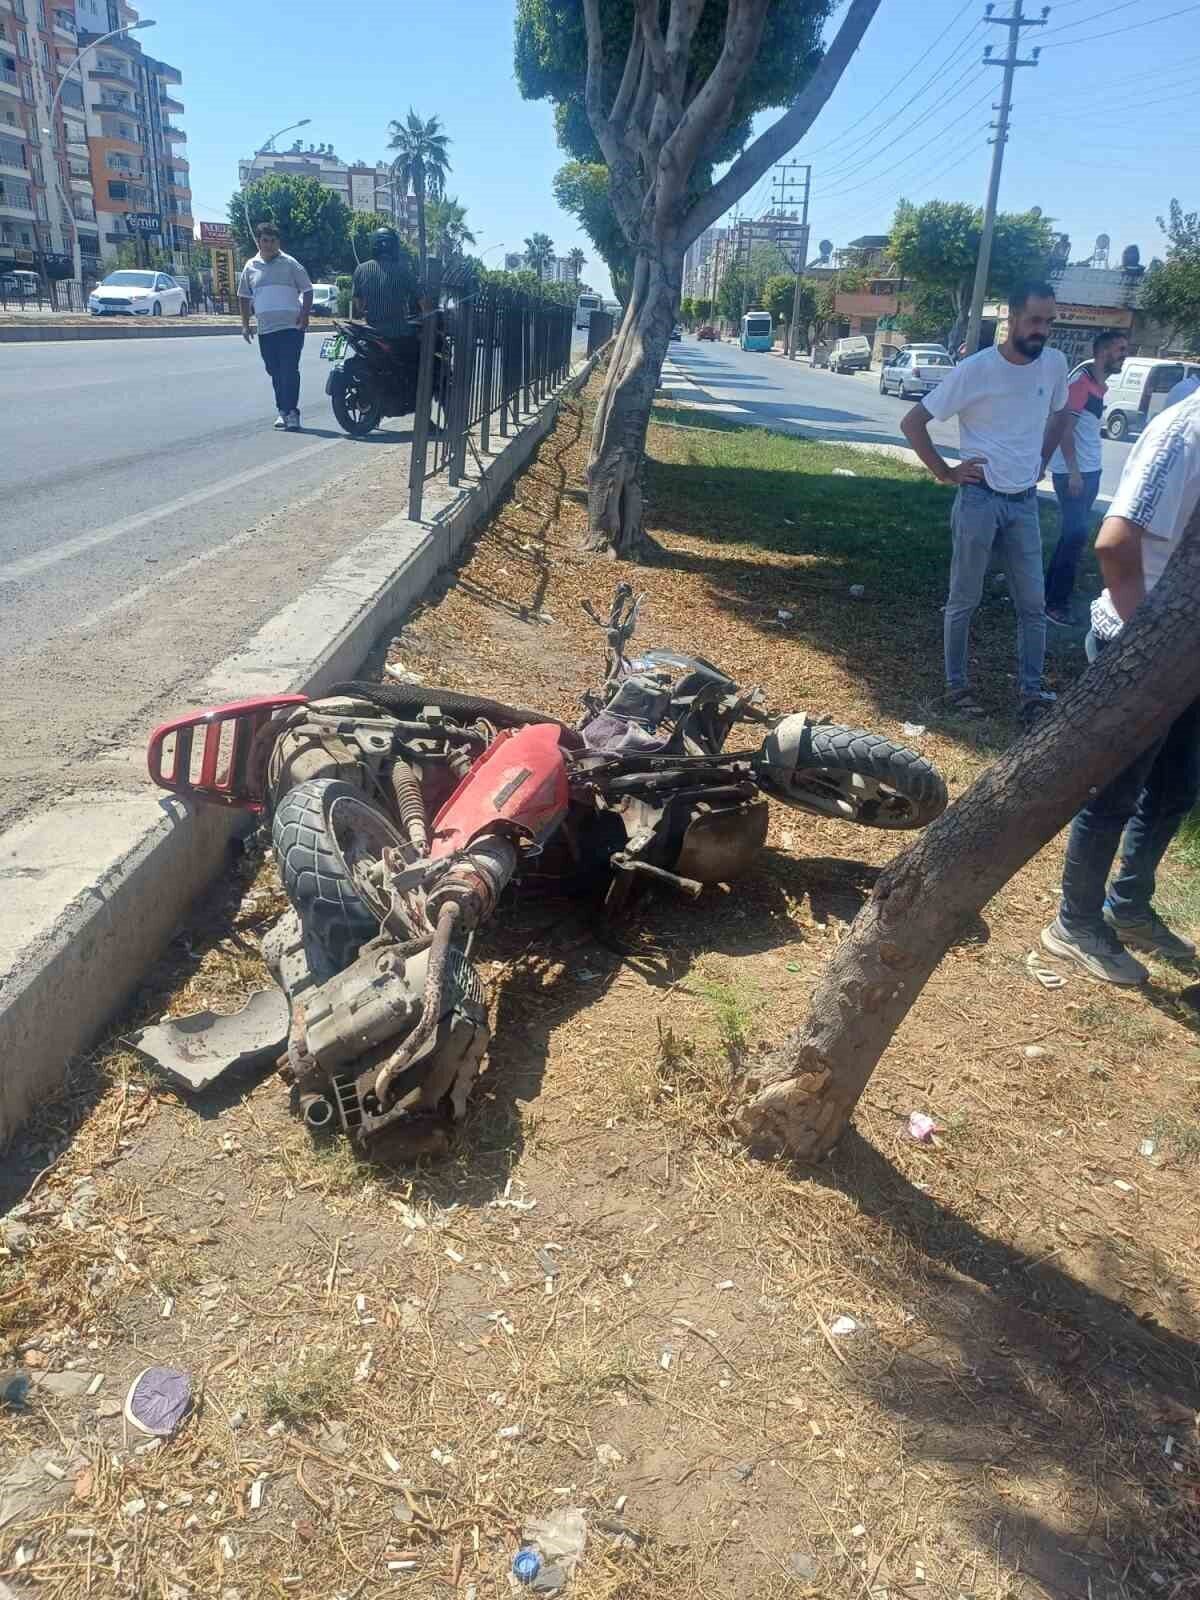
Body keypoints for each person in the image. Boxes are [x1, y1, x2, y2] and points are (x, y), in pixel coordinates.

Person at [1042, 390, 1200, 984]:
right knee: (1113, 795)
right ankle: (1074, 924)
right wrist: (1145, 646)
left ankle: (1127, 906)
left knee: (1175, 790)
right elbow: (1114, 541)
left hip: (1184, 651)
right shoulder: (1186, 432)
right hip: (1140, 649)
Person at [900, 281, 1071, 727]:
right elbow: (913, 422)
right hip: (979, 499)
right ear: (1011, 318)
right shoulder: (976, 370)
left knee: (1033, 605)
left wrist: (1042, 460)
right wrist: (946, 472)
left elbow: (1060, 414)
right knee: (964, 599)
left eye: (1049, 322)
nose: (1042, 330)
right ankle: (957, 686)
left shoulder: (1054, 364)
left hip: (1024, 503)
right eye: (1034, 320)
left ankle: (1031, 693)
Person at [1044, 330, 1128, 626]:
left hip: (1090, 470)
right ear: (1103, 351)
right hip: (1075, 473)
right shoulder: (1081, 383)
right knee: (1077, 534)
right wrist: (1075, 473)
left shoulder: (1097, 383)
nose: (1124, 355)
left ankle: (1049, 595)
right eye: (1120, 349)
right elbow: (1064, 429)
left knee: (1071, 536)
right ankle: (1055, 604)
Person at [238, 222, 313, 431]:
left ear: (278, 242)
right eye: (265, 240)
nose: (269, 245)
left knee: (289, 370)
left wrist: (305, 316)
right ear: (259, 242)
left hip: (291, 328)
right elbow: (244, 297)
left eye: (273, 241)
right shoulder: (251, 266)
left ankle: (292, 413)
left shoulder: (290, 264)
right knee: (275, 370)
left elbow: (307, 289)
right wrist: (245, 325)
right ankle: (282, 410)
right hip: (266, 330)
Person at [351, 227, 417, 338]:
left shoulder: (361, 269)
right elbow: (424, 303)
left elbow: (359, 306)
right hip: (398, 333)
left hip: (371, 332)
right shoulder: (404, 270)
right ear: (395, 247)